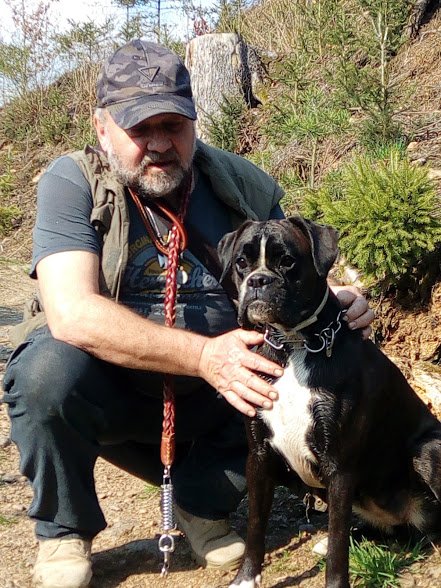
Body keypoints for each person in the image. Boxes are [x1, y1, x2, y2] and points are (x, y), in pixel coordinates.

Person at [2, 40, 374, 588]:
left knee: (295, 369)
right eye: (139, 128)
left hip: (218, 401)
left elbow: (286, 271)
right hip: (115, 393)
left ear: (194, 122)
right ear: (102, 128)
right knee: (44, 372)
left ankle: (201, 503)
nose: (159, 144)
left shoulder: (240, 183)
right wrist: (204, 357)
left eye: (173, 125)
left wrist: (332, 300)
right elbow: (72, 313)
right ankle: (63, 531)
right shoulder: (73, 182)